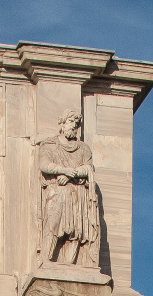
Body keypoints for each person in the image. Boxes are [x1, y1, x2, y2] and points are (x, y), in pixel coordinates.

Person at [35, 108, 101, 266]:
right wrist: (63, 170)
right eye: (71, 122)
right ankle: (46, 260)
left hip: (78, 195)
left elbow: (88, 168)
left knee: (76, 232)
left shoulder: (83, 148)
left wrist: (71, 174)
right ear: (62, 123)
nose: (74, 126)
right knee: (53, 225)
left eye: (77, 123)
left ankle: (69, 265)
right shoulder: (50, 144)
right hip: (56, 193)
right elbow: (44, 165)